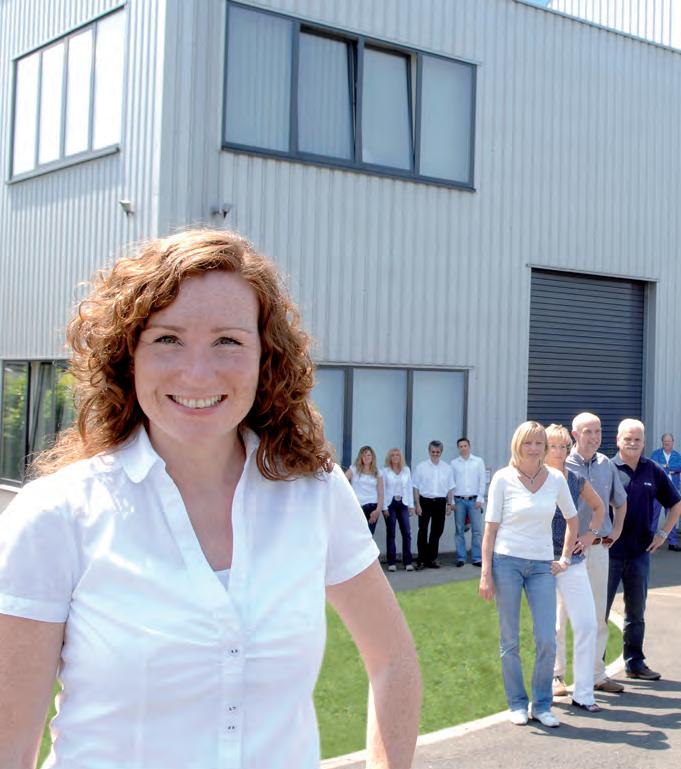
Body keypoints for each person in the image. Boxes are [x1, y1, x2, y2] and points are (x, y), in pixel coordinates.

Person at [0, 230, 420, 768]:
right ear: (128, 356)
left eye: (228, 341)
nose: (197, 373)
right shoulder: (55, 516)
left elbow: (393, 661)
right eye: (167, 339)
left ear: (266, 358)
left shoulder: (315, 494)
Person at [479, 421, 578, 728]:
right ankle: (517, 703)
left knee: (547, 639)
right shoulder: (503, 478)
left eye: (539, 443)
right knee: (509, 640)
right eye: (528, 443)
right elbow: (490, 530)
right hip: (506, 563)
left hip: (541, 567)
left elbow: (573, 520)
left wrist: (565, 558)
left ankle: (542, 704)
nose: (534, 448)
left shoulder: (556, 479)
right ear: (517, 445)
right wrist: (485, 573)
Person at [609, 418, 681, 681]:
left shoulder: (652, 470)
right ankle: (595, 670)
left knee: (636, 613)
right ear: (618, 440)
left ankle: (635, 663)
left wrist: (663, 534)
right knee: (599, 612)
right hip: (608, 553)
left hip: (640, 553)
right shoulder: (607, 469)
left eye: (637, 439)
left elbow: (676, 504)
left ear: (644, 442)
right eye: (627, 439)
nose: (632, 443)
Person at [565, 412, 630, 694]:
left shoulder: (606, 465)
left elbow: (620, 502)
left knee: (598, 613)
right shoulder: (561, 463)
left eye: (598, 431)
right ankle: (557, 676)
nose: (594, 437)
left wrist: (616, 529)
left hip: (598, 549)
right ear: (574, 435)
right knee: (560, 615)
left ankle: (596, 675)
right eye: (588, 431)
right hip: (566, 550)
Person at [545, 424, 607, 712]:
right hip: (542, 563)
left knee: (586, 624)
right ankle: (548, 685)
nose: (558, 452)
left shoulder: (576, 479)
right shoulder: (535, 479)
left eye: (563, 446)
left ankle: (583, 693)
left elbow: (599, 507)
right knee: (549, 627)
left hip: (573, 560)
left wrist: (590, 535)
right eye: (552, 446)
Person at [413, 441, 454, 569]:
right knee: (423, 530)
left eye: (438, 452)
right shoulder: (421, 467)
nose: (435, 454)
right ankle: (421, 559)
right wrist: (417, 504)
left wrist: (449, 504)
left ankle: (431, 559)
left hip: (440, 502)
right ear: (429, 451)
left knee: (437, 531)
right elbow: (416, 487)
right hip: (425, 501)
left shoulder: (447, 468)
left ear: (441, 452)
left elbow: (450, 488)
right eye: (433, 452)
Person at [450, 437, 487, 567]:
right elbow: (451, 483)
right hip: (459, 501)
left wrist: (480, 499)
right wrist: (451, 501)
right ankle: (461, 558)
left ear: (469, 447)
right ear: (458, 448)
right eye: (460, 446)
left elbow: (482, 480)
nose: (463, 448)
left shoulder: (478, 462)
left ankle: (477, 558)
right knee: (459, 530)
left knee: (477, 531)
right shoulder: (454, 463)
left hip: (474, 501)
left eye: (465, 446)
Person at [381, 448, 416, 572]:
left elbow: (409, 488)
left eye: (397, 455)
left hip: (403, 503)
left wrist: (411, 505)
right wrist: (384, 507)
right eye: (393, 455)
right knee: (391, 533)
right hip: (390, 504)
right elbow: (382, 490)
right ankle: (391, 562)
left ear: (400, 457)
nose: (395, 457)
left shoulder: (406, 470)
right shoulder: (385, 471)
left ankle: (408, 562)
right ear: (389, 457)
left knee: (406, 532)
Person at [650, 432, 681, 550]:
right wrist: (670, 469)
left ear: (673, 442)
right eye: (665, 442)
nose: (667, 443)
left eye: (669, 442)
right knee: (654, 515)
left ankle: (672, 542)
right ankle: (651, 540)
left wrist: (666, 467)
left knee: (671, 515)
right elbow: (654, 466)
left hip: (671, 490)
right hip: (658, 490)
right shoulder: (656, 454)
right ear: (662, 442)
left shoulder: (677, 455)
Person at [346, 445, 385, 534]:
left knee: (368, 535)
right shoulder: (354, 469)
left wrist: (378, 510)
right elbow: (343, 481)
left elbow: (381, 493)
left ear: (372, 457)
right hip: (357, 506)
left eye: (369, 455)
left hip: (372, 507)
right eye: (364, 455)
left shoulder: (378, 472)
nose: (366, 457)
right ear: (360, 457)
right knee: (356, 534)